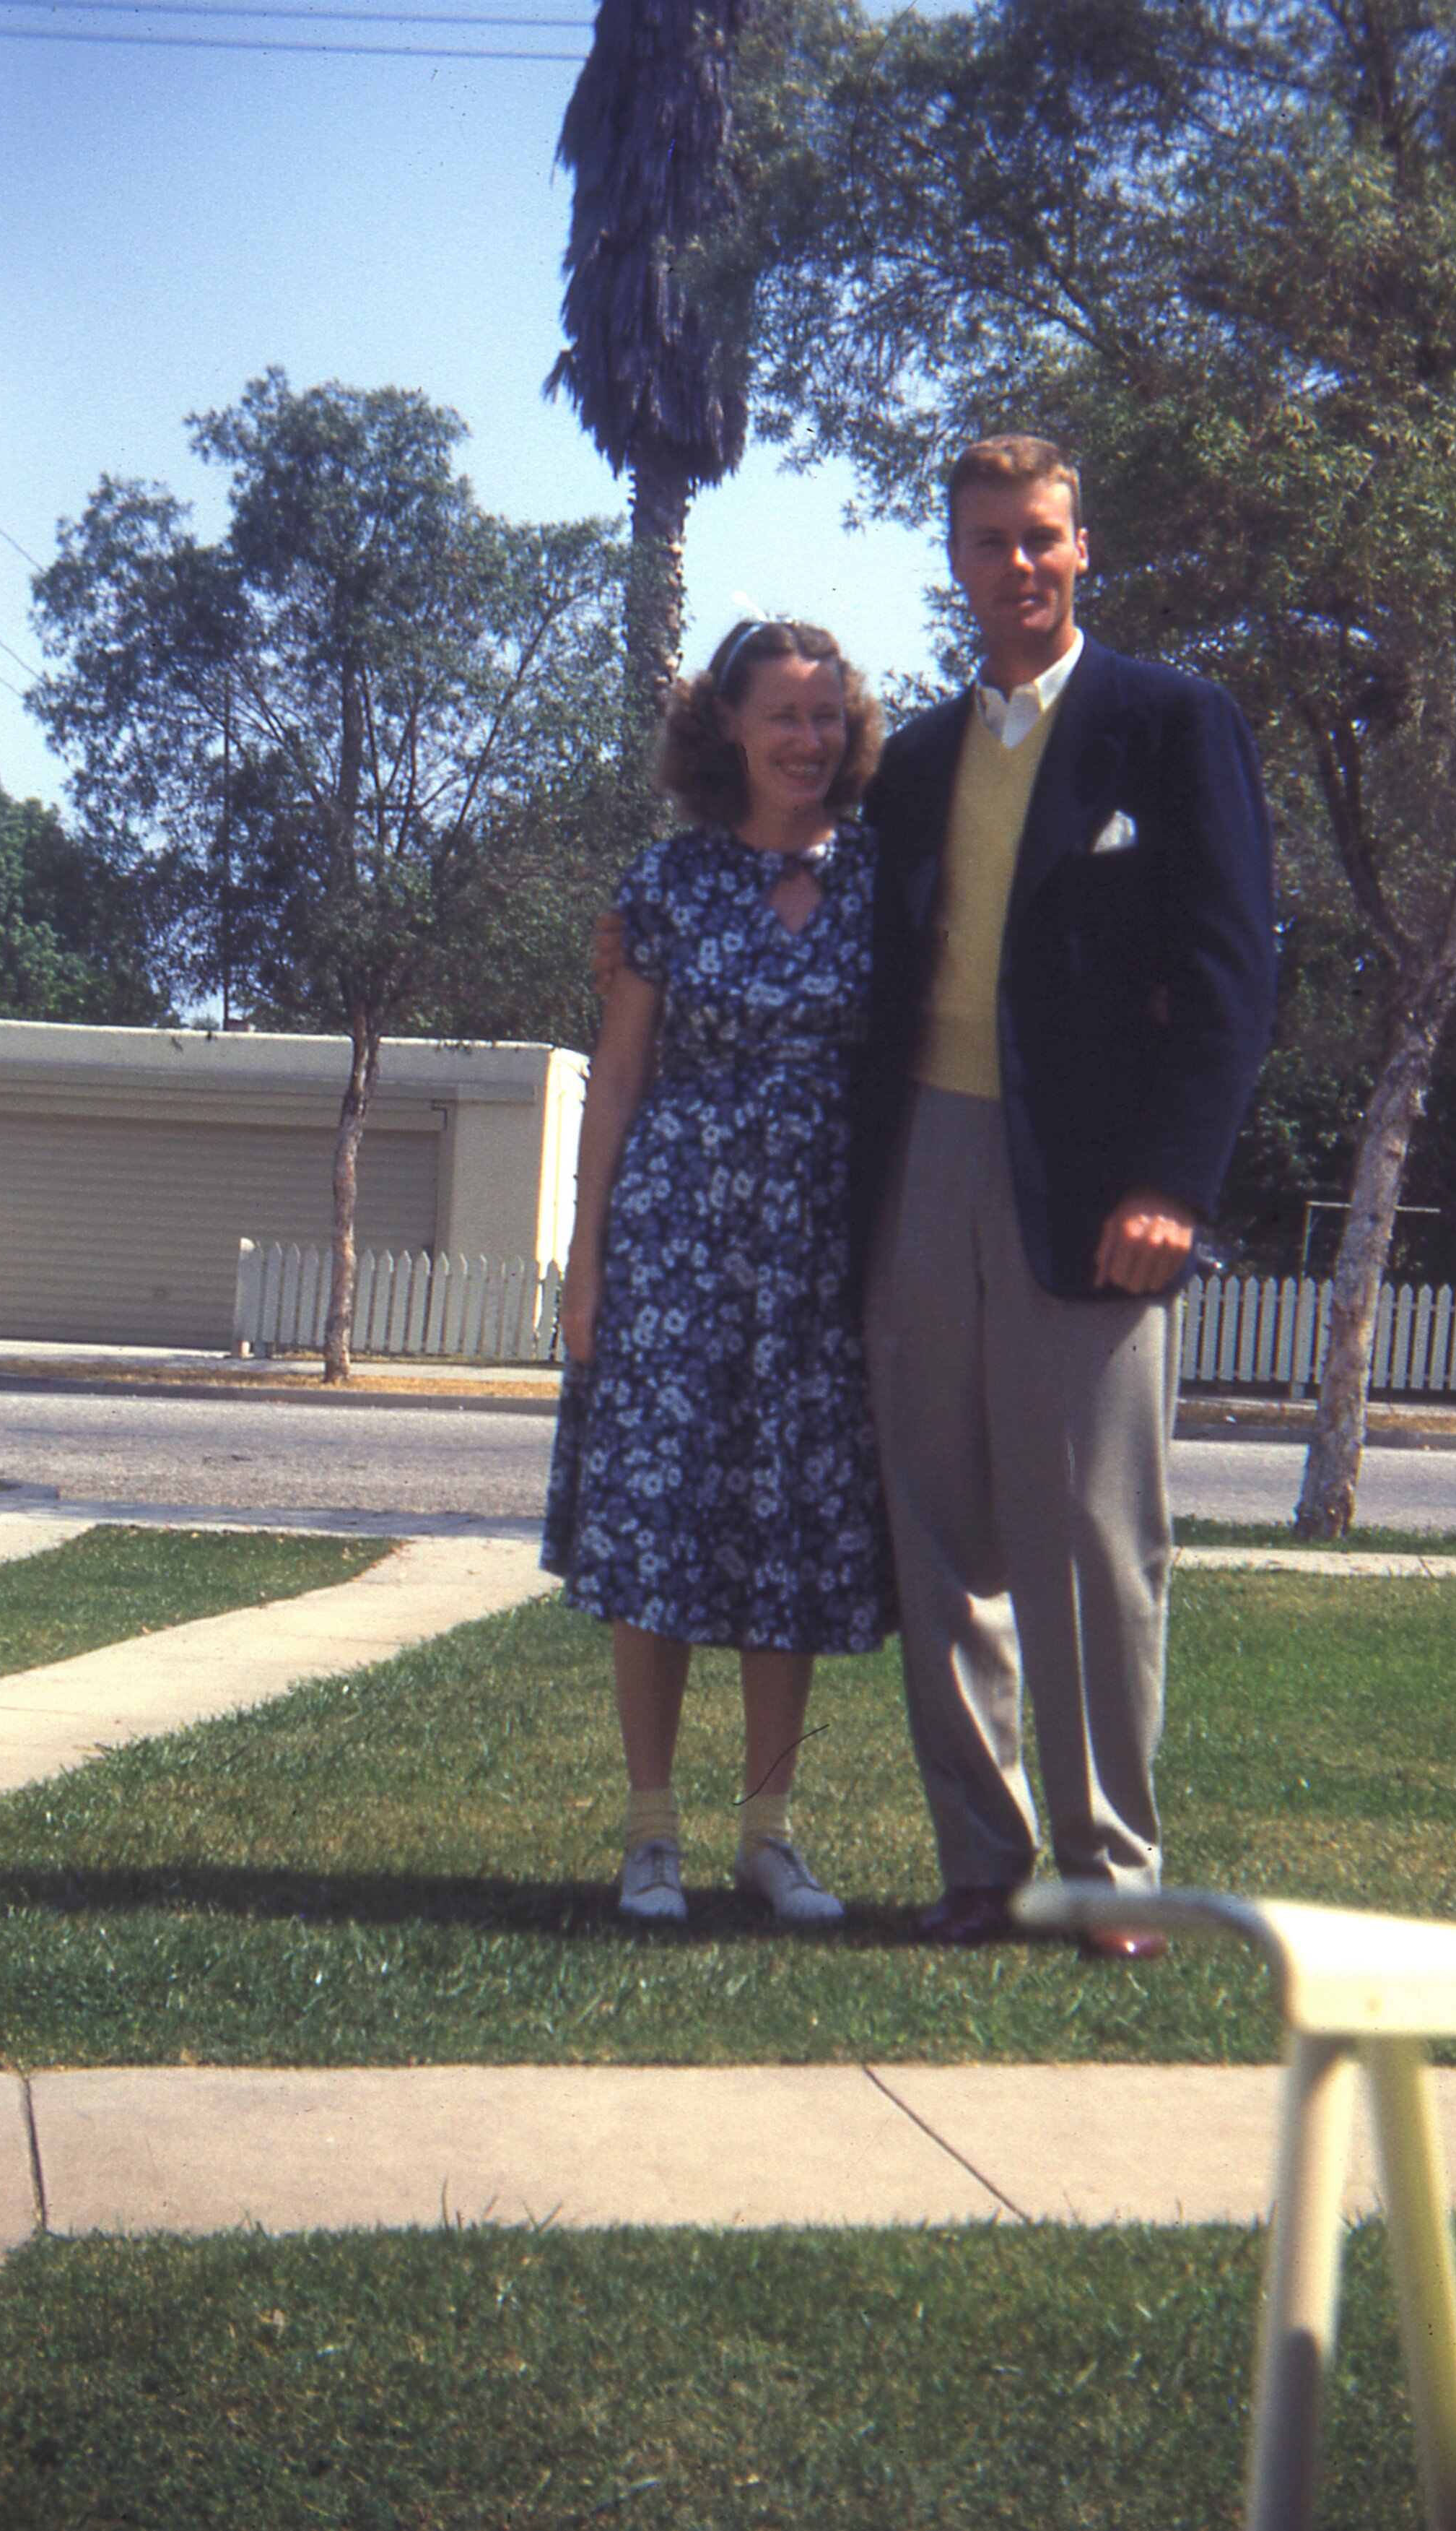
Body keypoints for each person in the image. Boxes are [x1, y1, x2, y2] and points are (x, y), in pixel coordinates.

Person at [854, 433, 1276, 1954]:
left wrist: (1173, 1178)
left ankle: (1107, 1876)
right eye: (986, 542)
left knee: (1093, 1540)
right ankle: (985, 1862)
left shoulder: (1170, 725)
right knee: (940, 1529)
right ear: (953, 559)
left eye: (1039, 537)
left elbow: (1231, 976)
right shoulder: (907, 763)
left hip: (1096, 1186)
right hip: (920, 1160)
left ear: (1081, 546)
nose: (1015, 566)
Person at [543, 618, 895, 1928]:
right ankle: (649, 1833)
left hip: (821, 1246)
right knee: (663, 1529)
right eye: (781, 714)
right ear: (729, 730)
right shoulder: (667, 882)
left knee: (788, 1529)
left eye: (826, 714)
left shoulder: (882, 877)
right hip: (677, 1238)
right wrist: (588, 1262)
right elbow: (619, 1075)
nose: (806, 738)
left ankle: (769, 1832)